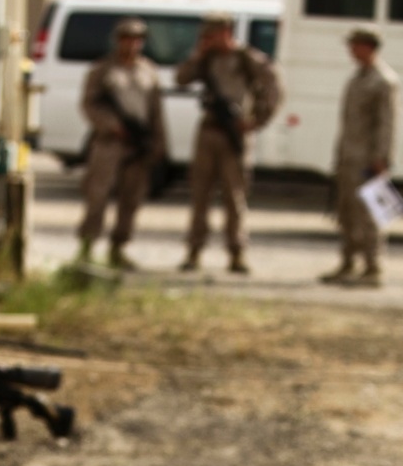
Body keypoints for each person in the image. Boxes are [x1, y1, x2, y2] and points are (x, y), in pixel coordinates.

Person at [174, 15, 282, 275]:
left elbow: (274, 89)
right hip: (209, 133)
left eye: (213, 34)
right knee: (200, 194)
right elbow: (181, 78)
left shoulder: (247, 59)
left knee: (234, 197)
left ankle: (236, 253)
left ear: (227, 32)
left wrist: (257, 121)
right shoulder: (206, 59)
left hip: (235, 135)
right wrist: (198, 55)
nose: (209, 39)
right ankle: (194, 250)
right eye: (205, 35)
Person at [76, 17, 165, 270]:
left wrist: (158, 143)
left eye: (136, 39)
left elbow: (156, 111)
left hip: (138, 145)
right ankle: (87, 247)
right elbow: (89, 104)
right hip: (109, 143)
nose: (131, 44)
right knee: (98, 195)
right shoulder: (102, 70)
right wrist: (111, 125)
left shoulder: (148, 71)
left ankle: (118, 248)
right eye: (126, 39)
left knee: (131, 198)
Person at [321, 26, 400, 288]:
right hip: (349, 155)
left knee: (369, 215)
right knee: (345, 212)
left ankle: (373, 266)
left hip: (368, 158)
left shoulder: (383, 81)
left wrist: (382, 157)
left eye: (355, 45)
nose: (351, 50)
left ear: (368, 47)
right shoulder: (357, 78)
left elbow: (387, 123)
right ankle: (348, 262)